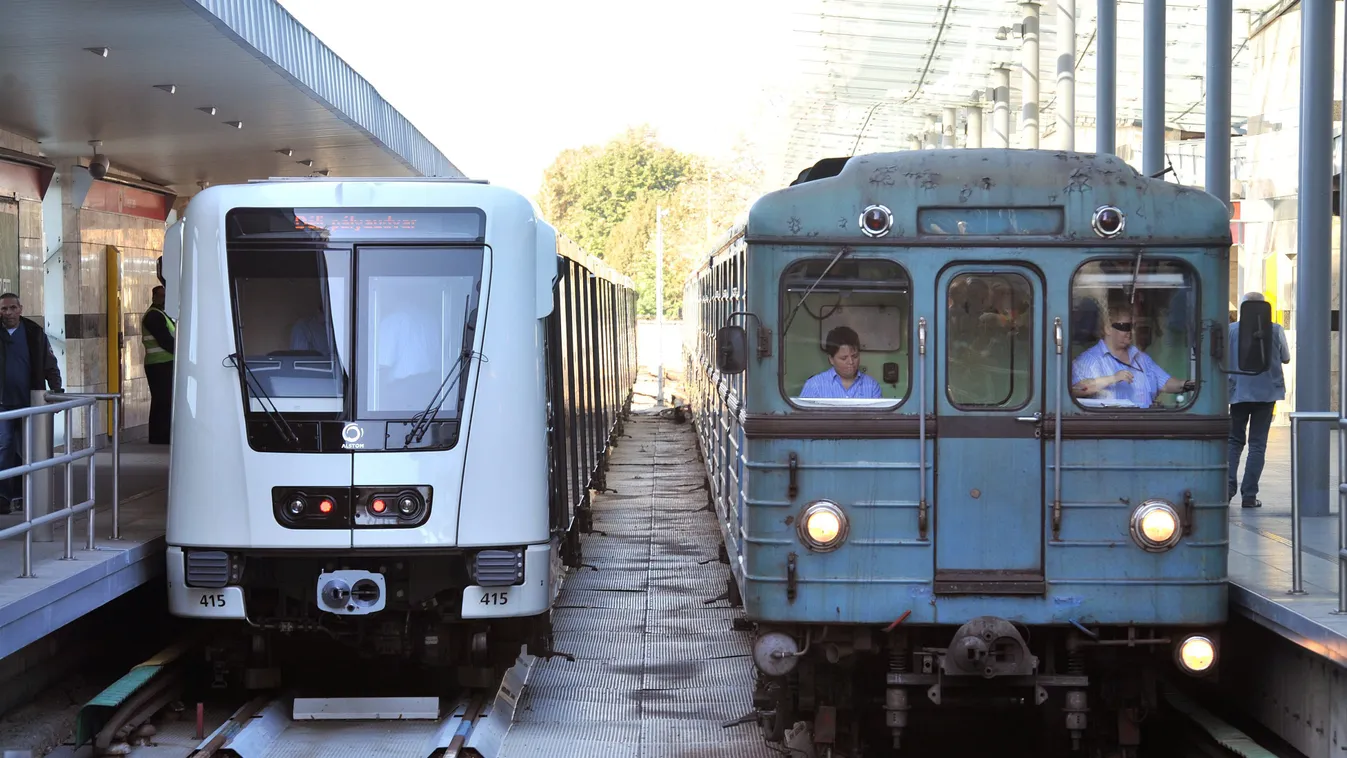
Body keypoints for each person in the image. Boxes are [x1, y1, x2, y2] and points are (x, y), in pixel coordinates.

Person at [0, 293, 63, 514]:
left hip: (29, 402)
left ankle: (25, 495)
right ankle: (4, 496)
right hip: (3, 404)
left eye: (12, 308)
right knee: (4, 448)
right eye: (4, 309)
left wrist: (56, 391)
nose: (7, 313)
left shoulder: (34, 334)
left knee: (27, 451)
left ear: (20, 309)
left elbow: (49, 363)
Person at [1227, 292, 1290, 508]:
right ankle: (1249, 496)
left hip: (1238, 393)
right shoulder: (1275, 329)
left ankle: (1227, 489)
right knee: (1257, 444)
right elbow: (1286, 358)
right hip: (1266, 395)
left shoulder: (1231, 330)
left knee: (1234, 442)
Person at [1071, 301, 1193, 408]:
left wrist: (1190, 385)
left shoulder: (1141, 358)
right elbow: (1077, 389)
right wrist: (1113, 378)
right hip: (1110, 430)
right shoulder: (1089, 360)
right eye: (1126, 326)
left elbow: (1165, 384)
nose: (1131, 332)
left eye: (1133, 327)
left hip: (1146, 427)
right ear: (1108, 328)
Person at [800, 326, 882, 399]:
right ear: (831, 359)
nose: (851, 362)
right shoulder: (814, 385)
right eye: (844, 358)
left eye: (855, 356)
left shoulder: (872, 386)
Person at [142, 286, 175, 445]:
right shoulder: (154, 316)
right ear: (154, 296)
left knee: (163, 401)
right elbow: (166, 340)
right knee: (162, 401)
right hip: (159, 364)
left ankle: (160, 435)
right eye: (161, 296)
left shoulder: (163, 314)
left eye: (165, 296)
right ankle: (159, 436)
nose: (164, 299)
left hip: (162, 363)